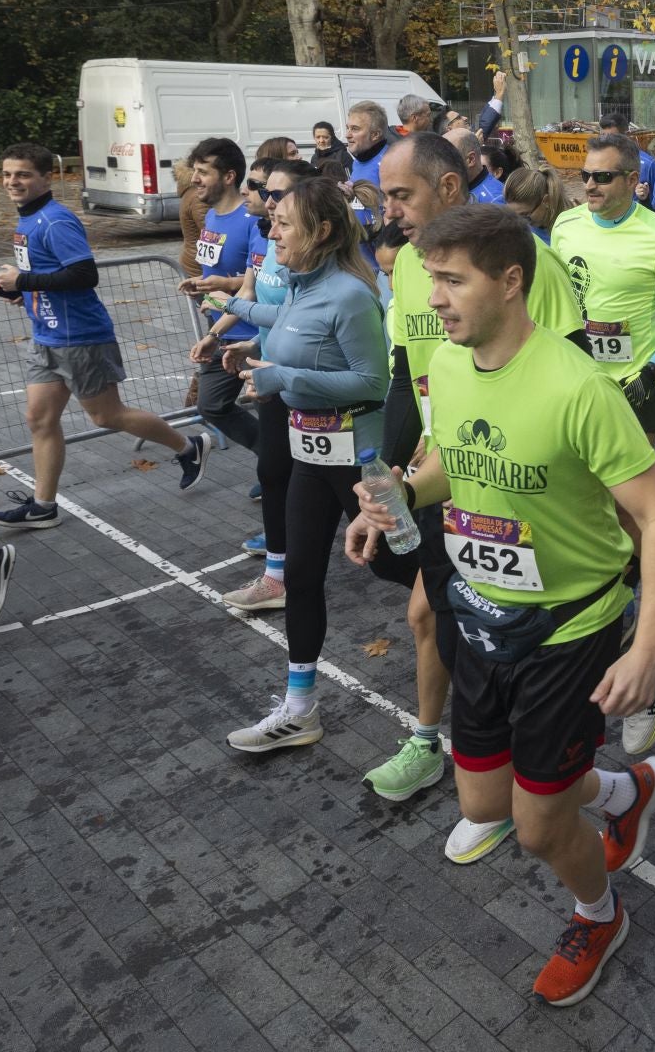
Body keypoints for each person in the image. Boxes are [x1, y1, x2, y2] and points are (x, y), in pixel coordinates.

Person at [345, 204, 655, 1007]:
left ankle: (597, 913)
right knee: (485, 802)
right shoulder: (452, 365)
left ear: (511, 280)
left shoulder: (579, 389)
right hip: (478, 609)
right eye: (431, 279)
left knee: (536, 830)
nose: (437, 299)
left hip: (571, 626)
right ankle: (624, 791)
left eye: (453, 280)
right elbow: (450, 465)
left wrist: (645, 648)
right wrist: (394, 496)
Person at [362, 132, 590, 829]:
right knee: (431, 613)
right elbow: (409, 373)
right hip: (446, 466)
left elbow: (573, 368)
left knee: (516, 619)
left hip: (522, 478)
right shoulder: (408, 266)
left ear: (450, 187)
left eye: (402, 194)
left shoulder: (521, 260)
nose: (390, 209)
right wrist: (389, 475)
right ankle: (443, 747)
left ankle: (556, 749)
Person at [214, 176, 417, 749]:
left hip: (361, 461)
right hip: (311, 457)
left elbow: (374, 381)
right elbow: (293, 334)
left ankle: (492, 626)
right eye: (272, 219)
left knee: (400, 567)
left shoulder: (352, 295)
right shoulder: (301, 289)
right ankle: (300, 708)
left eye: (283, 223)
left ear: (321, 231)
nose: (270, 229)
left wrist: (284, 377)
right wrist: (252, 349)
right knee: (300, 577)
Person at [0, 144, 209, 530]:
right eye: (7, 174)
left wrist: (23, 280)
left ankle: (188, 447)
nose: (12, 182)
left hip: (80, 337)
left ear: (44, 178)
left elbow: (83, 275)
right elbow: (49, 273)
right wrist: (21, 292)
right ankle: (44, 506)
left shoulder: (55, 221)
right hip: (46, 336)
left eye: (22, 174)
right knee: (39, 420)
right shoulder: (27, 220)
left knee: (107, 415)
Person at [553, 132, 655, 445]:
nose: (590, 185)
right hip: (578, 378)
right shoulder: (565, 226)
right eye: (586, 175)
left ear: (632, 179)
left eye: (603, 177)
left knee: (628, 489)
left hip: (637, 381)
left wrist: (651, 372)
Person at [205, 156, 294, 588]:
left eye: (267, 189)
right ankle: (278, 572)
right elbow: (258, 297)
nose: (252, 194)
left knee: (337, 491)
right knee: (275, 472)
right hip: (270, 373)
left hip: (303, 387)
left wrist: (227, 305)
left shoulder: (318, 264)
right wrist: (250, 342)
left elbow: (300, 319)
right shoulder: (268, 240)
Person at [176, 137, 264, 452]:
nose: (194, 179)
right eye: (194, 171)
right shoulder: (212, 216)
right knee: (210, 404)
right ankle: (270, 456)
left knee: (273, 413)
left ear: (228, 177)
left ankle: (276, 472)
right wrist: (204, 284)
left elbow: (258, 280)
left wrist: (223, 287)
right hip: (222, 334)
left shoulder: (253, 219)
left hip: (254, 335)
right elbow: (222, 271)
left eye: (203, 172)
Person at [501, 165, 564, 243]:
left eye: (524, 216)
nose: (518, 223)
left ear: (546, 201)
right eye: (512, 215)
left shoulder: (567, 232)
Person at [345, 100, 394, 188]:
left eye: (355, 129)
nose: (347, 135)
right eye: (347, 128)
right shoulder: (358, 160)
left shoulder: (391, 164)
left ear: (375, 135)